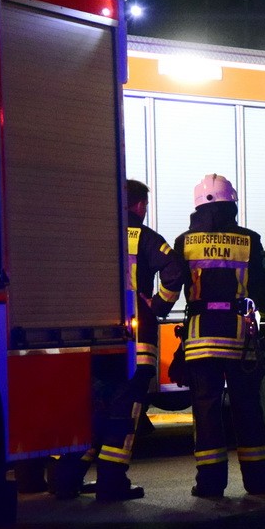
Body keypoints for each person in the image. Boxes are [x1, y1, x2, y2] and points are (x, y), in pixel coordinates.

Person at [51, 179, 183, 502]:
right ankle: (111, 483)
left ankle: (66, 480)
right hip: (136, 343)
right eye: (145, 206)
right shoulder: (147, 239)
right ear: (138, 206)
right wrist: (157, 306)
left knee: (91, 412)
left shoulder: (92, 238)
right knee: (124, 413)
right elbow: (175, 271)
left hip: (94, 343)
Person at [173, 174, 265, 498]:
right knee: (248, 408)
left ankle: (210, 484)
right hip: (239, 336)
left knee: (206, 411)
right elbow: (261, 288)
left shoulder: (184, 241)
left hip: (200, 337)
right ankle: (258, 482)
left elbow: (174, 285)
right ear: (232, 203)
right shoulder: (249, 240)